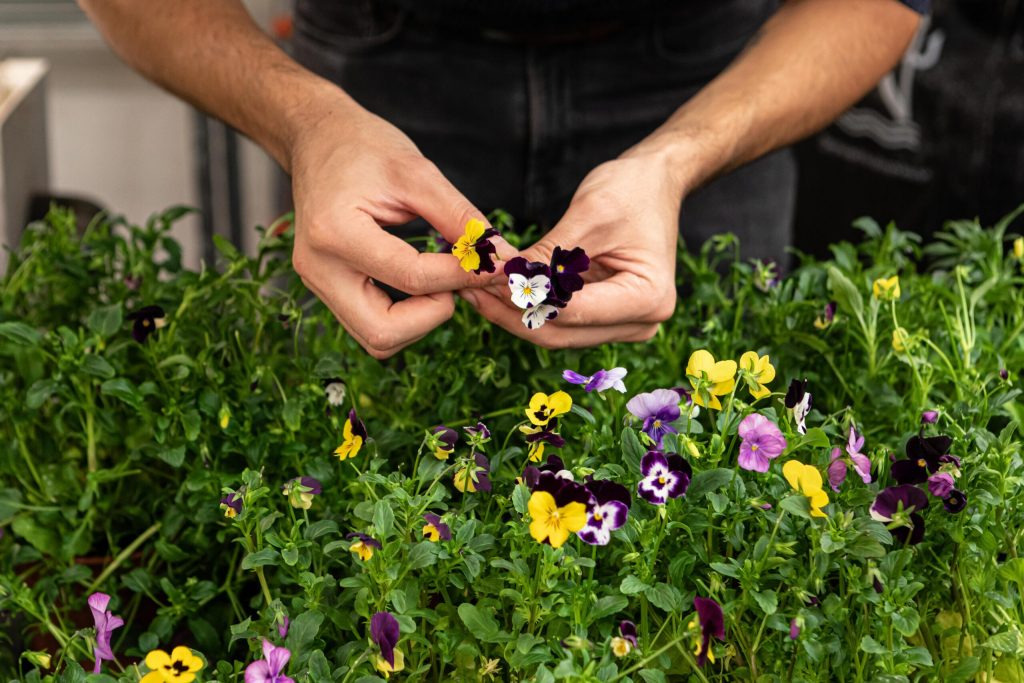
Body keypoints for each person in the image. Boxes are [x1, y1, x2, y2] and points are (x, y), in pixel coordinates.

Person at [79, 0, 925, 358]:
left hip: (709, 74)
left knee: (712, 493)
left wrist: (677, 160)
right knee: (357, 489)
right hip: (377, 75)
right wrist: (304, 123)